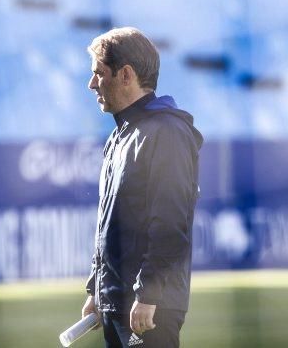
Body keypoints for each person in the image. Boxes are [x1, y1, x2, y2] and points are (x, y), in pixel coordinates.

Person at [81, 27, 203, 348]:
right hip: (117, 302)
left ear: (125, 75)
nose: (92, 84)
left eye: (98, 73)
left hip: (147, 308)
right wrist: (98, 289)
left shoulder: (167, 132)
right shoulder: (119, 136)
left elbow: (170, 221)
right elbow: (110, 223)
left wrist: (149, 293)